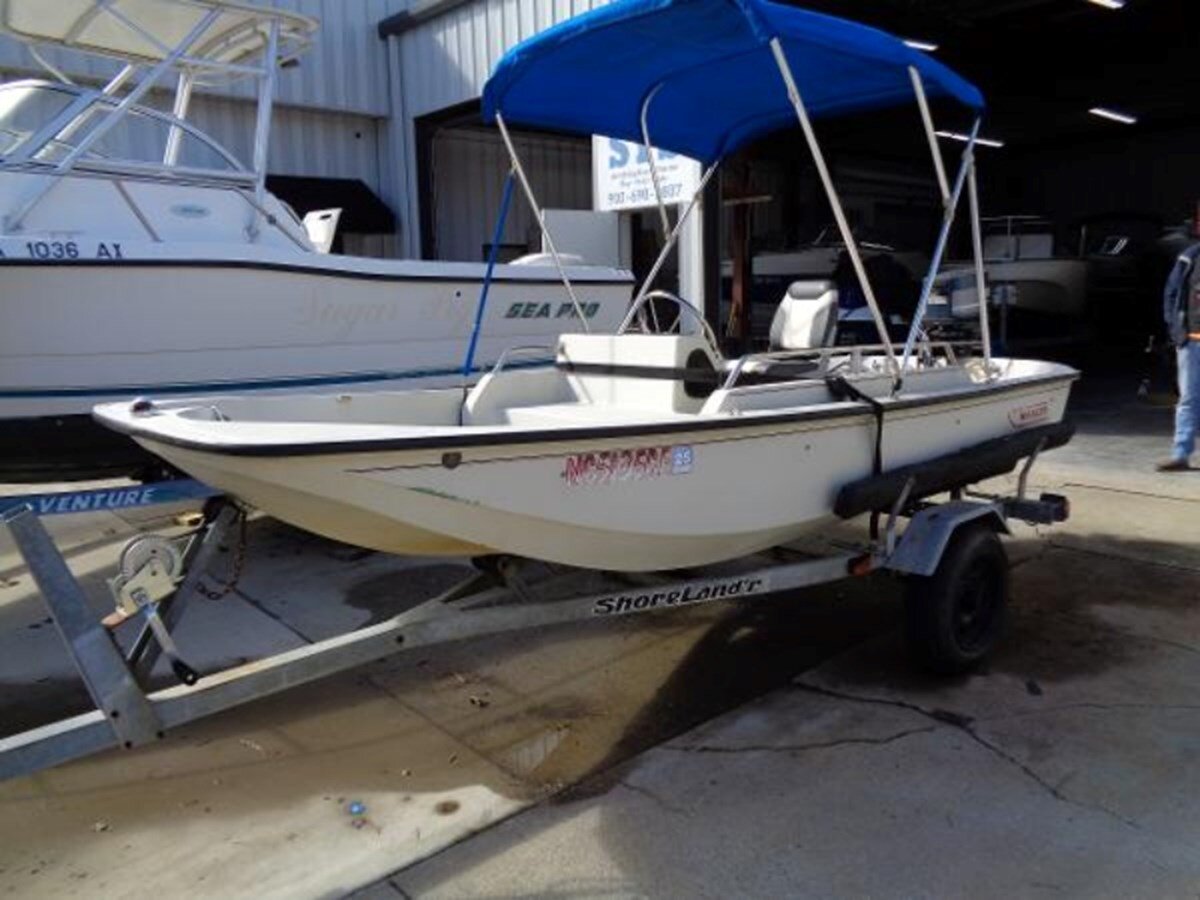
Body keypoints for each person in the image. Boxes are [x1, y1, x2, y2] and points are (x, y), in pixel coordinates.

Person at [1158, 240, 1200, 471]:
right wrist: (1176, 329)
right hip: (1192, 341)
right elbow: (1171, 293)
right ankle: (1181, 454)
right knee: (1189, 400)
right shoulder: (1189, 257)